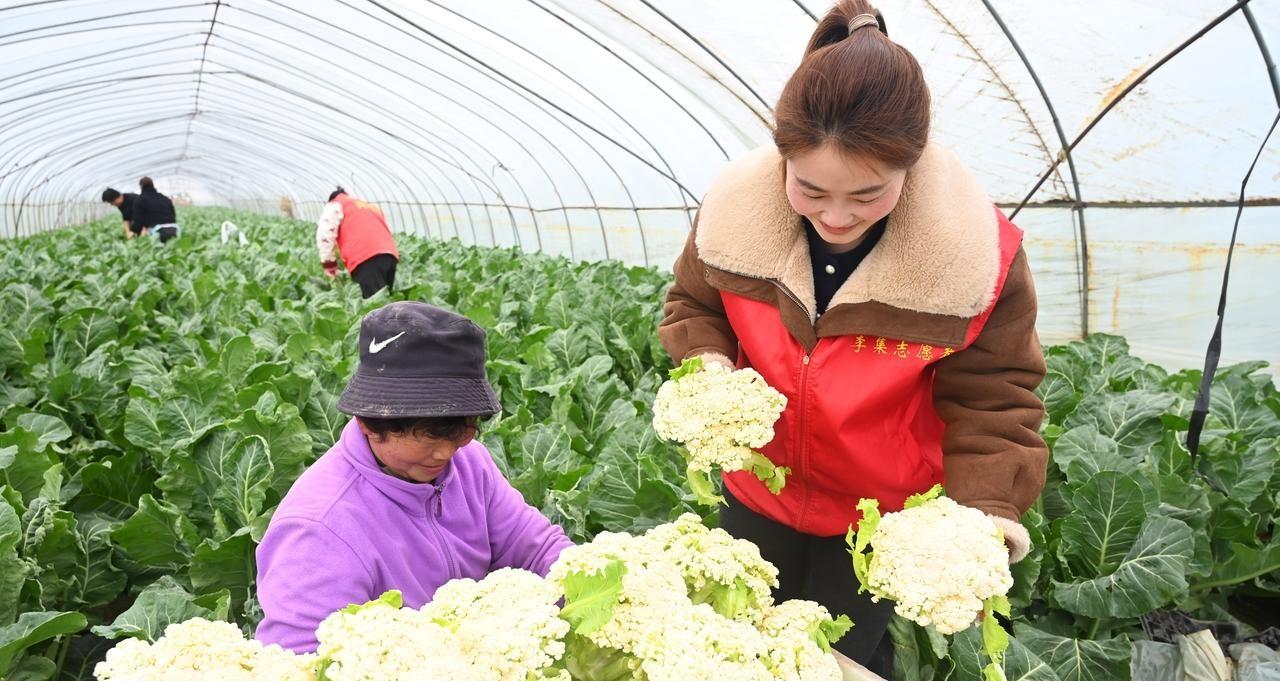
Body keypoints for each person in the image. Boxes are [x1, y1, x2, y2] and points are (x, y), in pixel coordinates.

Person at [657, 1, 1047, 674]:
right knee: (734, 649)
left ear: (912, 165)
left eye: (868, 195)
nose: (836, 216)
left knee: (838, 662)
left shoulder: (975, 260)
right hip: (757, 493)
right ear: (782, 160)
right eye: (810, 189)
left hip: (878, 522)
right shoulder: (729, 218)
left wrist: (989, 507)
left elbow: (996, 394)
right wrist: (707, 362)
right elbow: (693, 302)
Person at [255, 302, 573, 653]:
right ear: (369, 424)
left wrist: (594, 586)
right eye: (430, 436)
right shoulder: (317, 530)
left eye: (461, 432)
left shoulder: (470, 463)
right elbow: (300, 661)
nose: (447, 453)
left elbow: (537, 548)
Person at [316, 187, 399, 298]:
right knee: (385, 300)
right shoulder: (366, 205)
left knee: (375, 306)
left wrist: (330, 266)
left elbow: (325, 234)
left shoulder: (335, 204)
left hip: (366, 257)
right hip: (390, 255)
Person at [130, 176, 180, 243]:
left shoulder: (140, 200)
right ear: (152, 185)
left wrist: (134, 232)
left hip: (156, 232)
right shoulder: (165, 198)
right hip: (174, 230)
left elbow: (138, 220)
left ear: (141, 186)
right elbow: (173, 215)